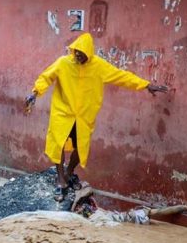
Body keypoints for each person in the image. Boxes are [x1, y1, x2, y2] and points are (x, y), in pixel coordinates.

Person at [24, 33, 168, 201]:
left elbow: (121, 76)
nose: (77, 55)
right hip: (62, 113)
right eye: (75, 51)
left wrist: (146, 85)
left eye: (81, 53)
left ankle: (69, 171)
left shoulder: (98, 66)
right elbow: (46, 77)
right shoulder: (63, 63)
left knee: (80, 147)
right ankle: (61, 179)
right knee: (59, 144)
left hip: (84, 116)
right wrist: (35, 93)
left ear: (89, 53)